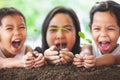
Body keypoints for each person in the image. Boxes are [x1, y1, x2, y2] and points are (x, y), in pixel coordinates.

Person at [73, 0, 120, 68]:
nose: (103, 34)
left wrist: (96, 61)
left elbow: (113, 59)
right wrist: (83, 58)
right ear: (91, 30)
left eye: (110, 29)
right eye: (97, 29)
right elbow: (85, 50)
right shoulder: (90, 48)